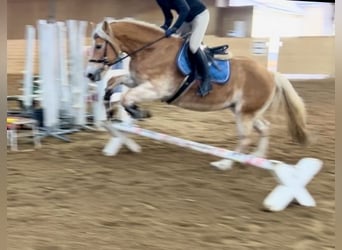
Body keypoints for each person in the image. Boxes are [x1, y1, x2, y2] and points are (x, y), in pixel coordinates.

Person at [155, 0, 211, 96]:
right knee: (172, 41)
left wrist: (174, 28)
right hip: (186, 18)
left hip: (200, 15)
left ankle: (206, 79)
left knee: (193, 46)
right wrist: (165, 26)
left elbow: (185, 9)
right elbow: (169, 17)